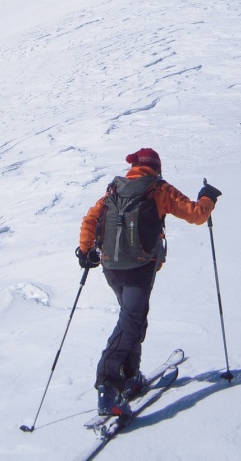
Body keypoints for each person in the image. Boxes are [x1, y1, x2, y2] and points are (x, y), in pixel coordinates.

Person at [75, 147, 221, 417]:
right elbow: (197, 215)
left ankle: (130, 376)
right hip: (141, 268)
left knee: (134, 318)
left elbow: (90, 220)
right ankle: (108, 385)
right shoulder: (158, 189)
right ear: (156, 167)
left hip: (111, 268)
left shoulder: (113, 190)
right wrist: (207, 197)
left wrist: (85, 252)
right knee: (131, 321)